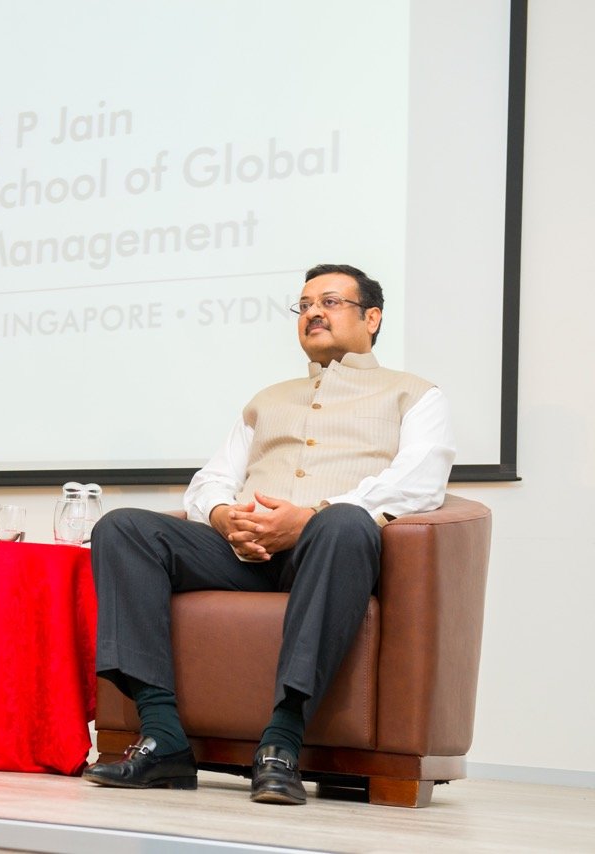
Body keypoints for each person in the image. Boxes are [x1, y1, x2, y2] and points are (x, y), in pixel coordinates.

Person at [81, 264, 455, 804]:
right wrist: (221, 517)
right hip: (242, 553)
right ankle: (162, 736)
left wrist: (309, 518)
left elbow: (419, 481)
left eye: (330, 302)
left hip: (326, 551)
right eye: (303, 306)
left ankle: (281, 742)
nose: (313, 314)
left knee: (345, 523)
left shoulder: (414, 394)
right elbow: (212, 479)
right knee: (124, 527)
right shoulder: (269, 398)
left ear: (372, 318)